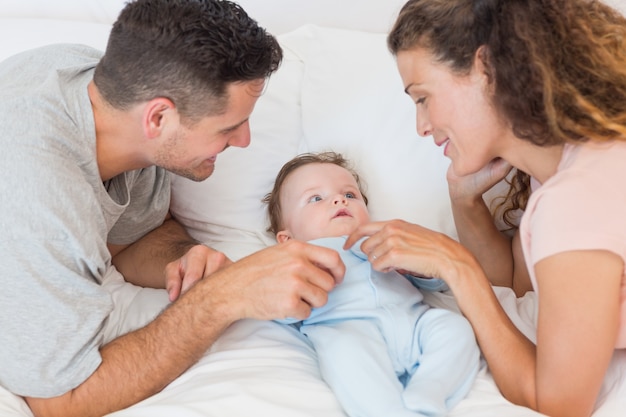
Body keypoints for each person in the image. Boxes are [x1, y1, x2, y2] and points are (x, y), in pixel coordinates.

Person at [0, 1, 346, 417]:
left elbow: (133, 238)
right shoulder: (38, 198)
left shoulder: (99, 88)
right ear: (158, 117)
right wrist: (219, 300)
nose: (244, 141)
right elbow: (60, 402)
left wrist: (184, 259)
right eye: (228, 126)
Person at [344, 1, 626, 417]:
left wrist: (457, 266)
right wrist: (464, 199)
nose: (420, 126)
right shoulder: (570, 160)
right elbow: (518, 292)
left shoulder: (575, 198)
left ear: (486, 69)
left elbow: (562, 403)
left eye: (422, 98)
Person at [263, 151, 480, 417]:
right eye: (316, 198)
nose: (339, 199)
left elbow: (436, 280)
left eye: (350, 195)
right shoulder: (298, 259)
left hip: (413, 324)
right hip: (349, 328)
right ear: (287, 239)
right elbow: (278, 304)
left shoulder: (385, 240)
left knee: (455, 328)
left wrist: (420, 270)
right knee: (346, 356)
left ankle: (430, 390)